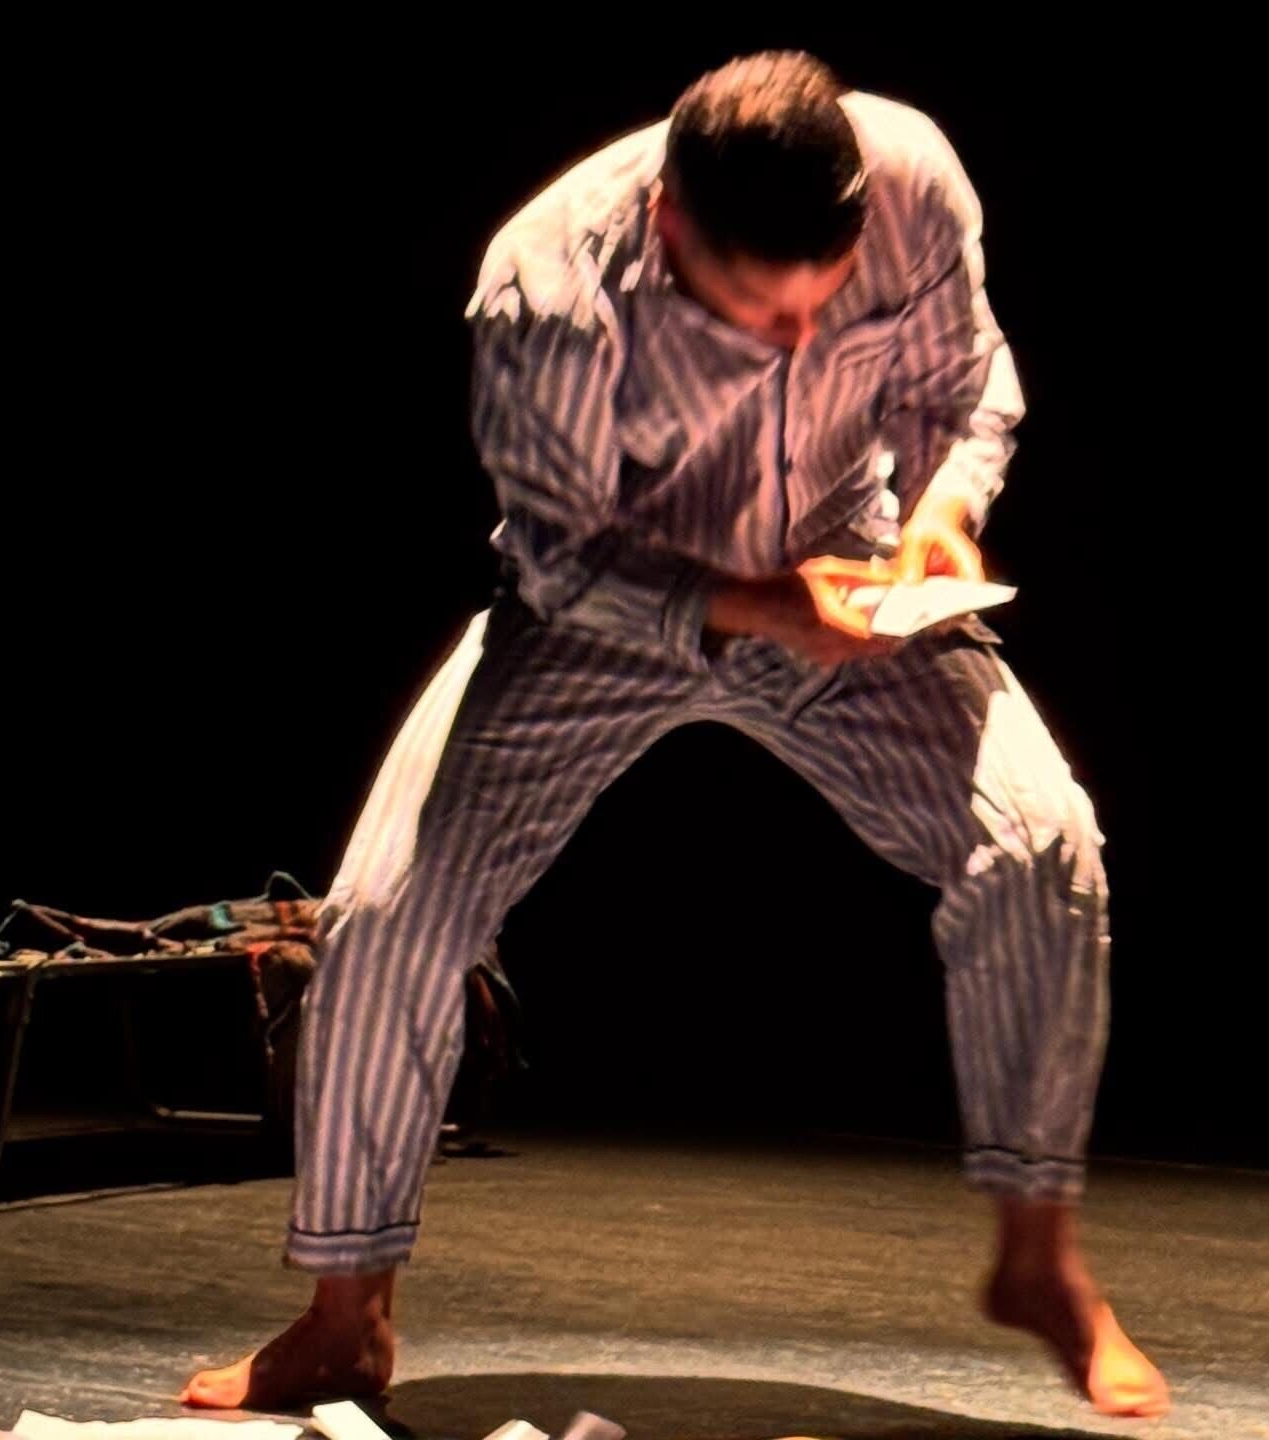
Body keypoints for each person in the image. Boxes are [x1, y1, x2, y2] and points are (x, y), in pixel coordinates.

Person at [182, 51, 1169, 1419]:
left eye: (823, 308)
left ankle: (1038, 1260)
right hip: (614, 603)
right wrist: (754, 606)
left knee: (1044, 846)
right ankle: (345, 1317)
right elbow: (556, 556)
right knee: (386, 914)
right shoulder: (549, 285)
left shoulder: (913, 180)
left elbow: (964, 385)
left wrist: (945, 510)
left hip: (843, 563)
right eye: (756, 315)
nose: (796, 343)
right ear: (669, 225)